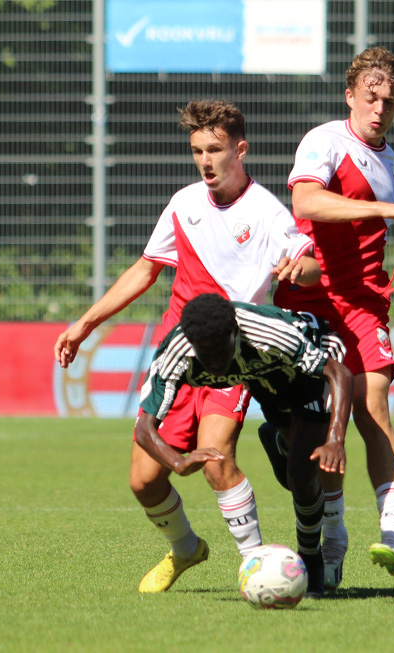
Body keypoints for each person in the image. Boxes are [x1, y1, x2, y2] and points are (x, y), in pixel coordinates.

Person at [54, 100, 320, 593]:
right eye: (197, 150)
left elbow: (307, 264)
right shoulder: (184, 203)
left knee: (217, 454)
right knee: (144, 480)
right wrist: (85, 322)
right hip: (179, 356)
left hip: (232, 355)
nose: (205, 160)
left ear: (240, 149)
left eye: (215, 149)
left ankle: (256, 566)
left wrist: (296, 271)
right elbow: (145, 268)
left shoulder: (264, 211)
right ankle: (185, 549)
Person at [264, 46, 394, 588]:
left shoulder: (389, 158)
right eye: (371, 96)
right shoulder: (325, 141)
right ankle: (333, 543)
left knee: (372, 408)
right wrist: (385, 209)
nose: (380, 107)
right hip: (310, 301)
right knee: (313, 428)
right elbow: (308, 206)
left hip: (363, 303)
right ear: (350, 96)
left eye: (390, 100)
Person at [135, 294, 353, 598]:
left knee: (302, 476)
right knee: (294, 469)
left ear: (234, 333)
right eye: (205, 356)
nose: (214, 364)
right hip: (262, 377)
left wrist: (335, 440)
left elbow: (340, 373)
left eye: (220, 353)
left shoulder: (268, 334)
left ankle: (310, 559)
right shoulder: (177, 351)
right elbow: (144, 428)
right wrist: (178, 462)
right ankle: (282, 442)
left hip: (309, 365)